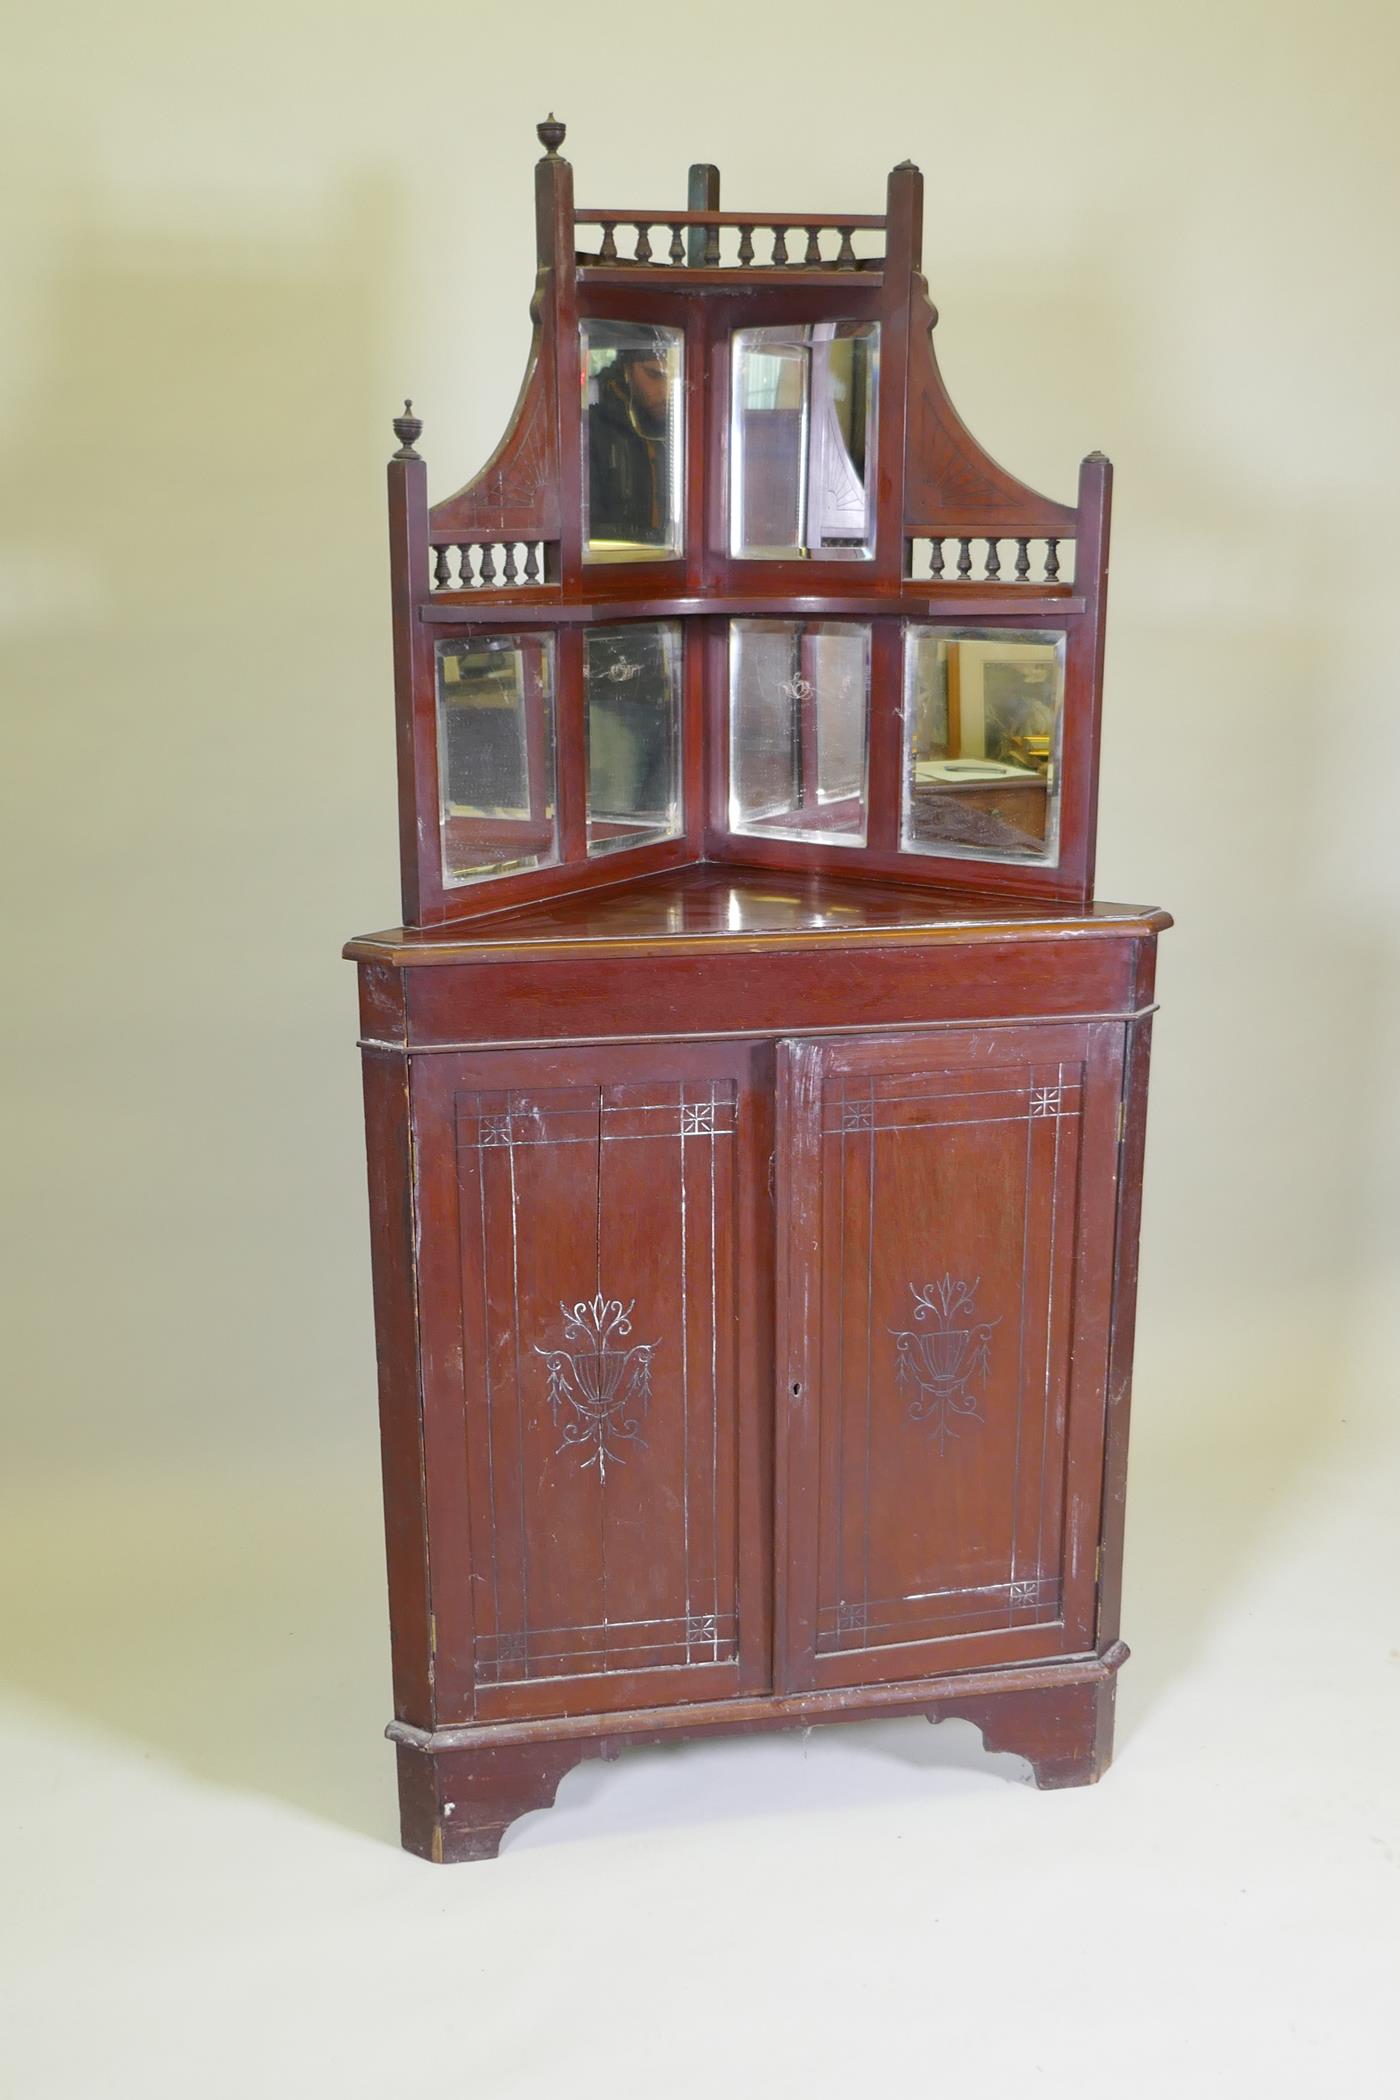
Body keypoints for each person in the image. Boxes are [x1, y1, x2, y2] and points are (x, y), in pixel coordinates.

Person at [585, 324, 674, 547]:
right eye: (654, 375)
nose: (666, 391)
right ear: (628, 369)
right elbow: (583, 531)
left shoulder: (689, 426)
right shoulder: (591, 430)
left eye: (674, 379)